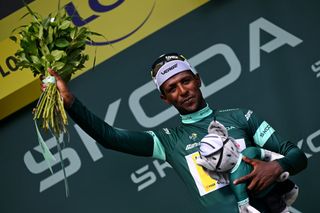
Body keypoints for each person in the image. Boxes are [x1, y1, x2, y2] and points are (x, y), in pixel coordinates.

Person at [45, 53, 307, 212]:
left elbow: (297, 156)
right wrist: (70, 102)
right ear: (164, 98)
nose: (182, 91)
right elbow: (109, 137)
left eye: (186, 81)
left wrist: (275, 168)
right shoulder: (168, 141)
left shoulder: (240, 117)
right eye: (172, 88)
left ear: (198, 79)